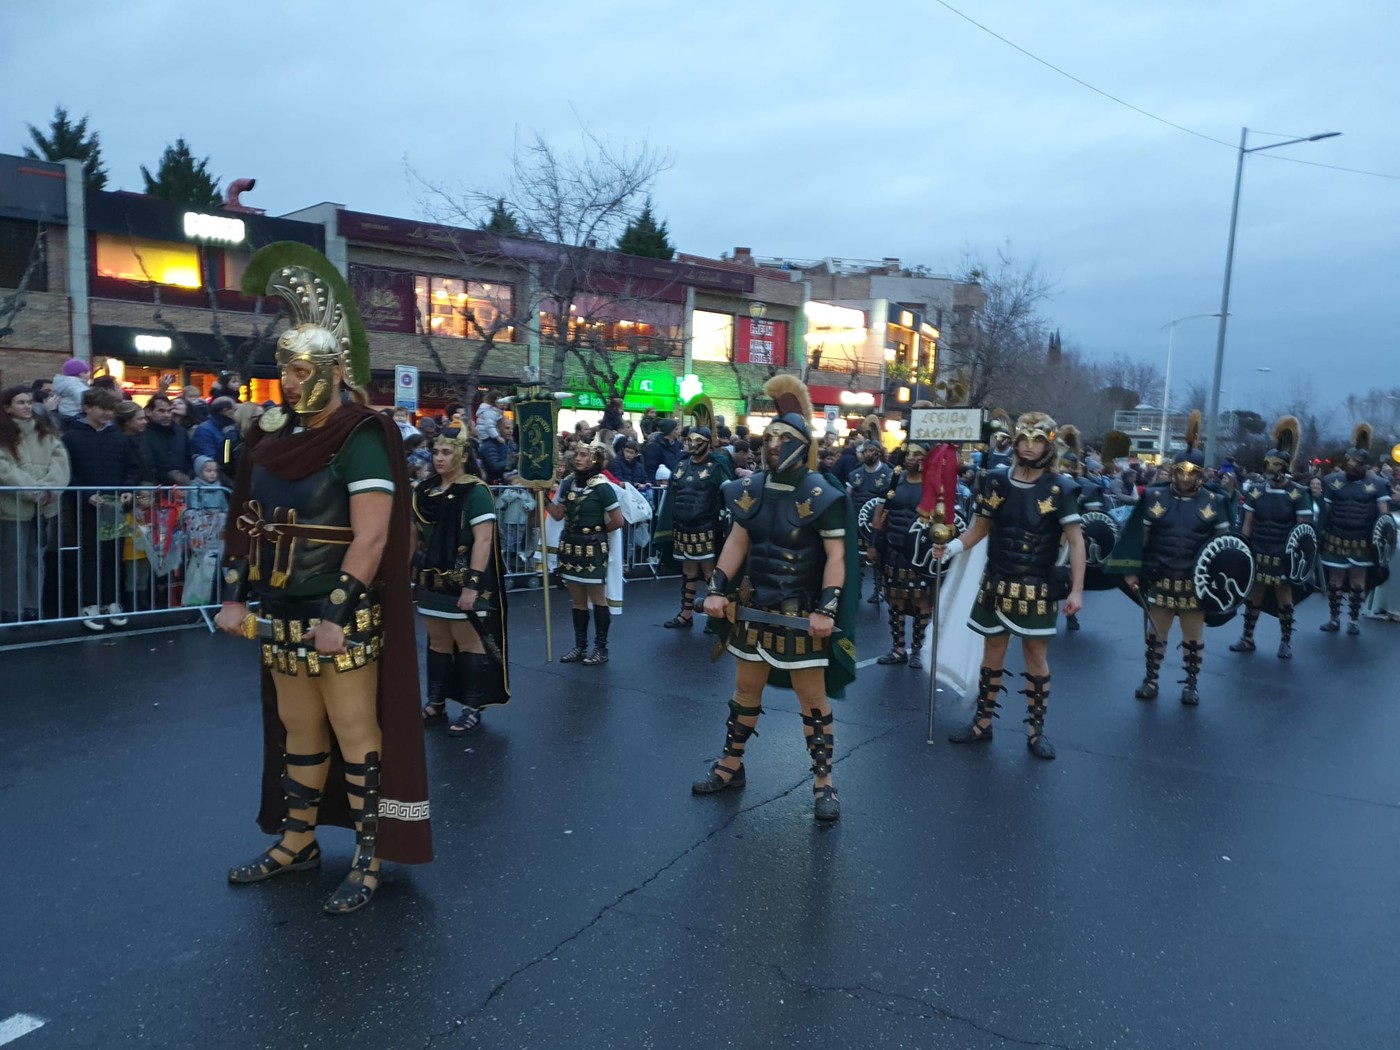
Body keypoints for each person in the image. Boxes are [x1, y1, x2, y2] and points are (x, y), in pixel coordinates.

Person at [214, 244, 430, 915]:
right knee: (296, 730)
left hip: (340, 614)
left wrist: (338, 612)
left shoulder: (361, 435)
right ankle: (297, 840)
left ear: (333, 371)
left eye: (301, 368)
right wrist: (232, 594)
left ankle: (367, 856)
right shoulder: (269, 437)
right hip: (278, 609)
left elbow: (371, 535)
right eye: (283, 368)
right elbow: (246, 522)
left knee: (355, 733)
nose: (288, 380)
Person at [692, 375, 855, 821]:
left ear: (803, 444)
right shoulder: (750, 489)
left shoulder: (824, 495)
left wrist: (826, 609)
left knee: (812, 700)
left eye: (785, 437)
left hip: (801, 613)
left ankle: (824, 782)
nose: (774, 444)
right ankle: (731, 764)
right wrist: (715, 588)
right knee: (745, 689)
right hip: (754, 608)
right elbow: (736, 543)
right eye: (770, 437)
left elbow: (837, 557)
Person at [937, 412, 1085, 759]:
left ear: (1048, 444)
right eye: (1024, 439)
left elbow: (1076, 542)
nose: (1029, 446)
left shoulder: (1061, 488)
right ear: (1016, 441)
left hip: (1037, 585)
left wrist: (1077, 590)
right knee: (992, 653)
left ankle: (1036, 731)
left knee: (1036, 656)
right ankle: (983, 723)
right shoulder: (996, 481)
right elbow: (980, 528)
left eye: (1037, 440)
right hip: (998, 580)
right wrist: (953, 547)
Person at [1121, 412, 1231, 706]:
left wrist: (1221, 583)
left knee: (1193, 639)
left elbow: (1224, 548)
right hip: (1160, 575)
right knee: (1155, 635)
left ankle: (1191, 683)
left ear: (1200, 473)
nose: (1185, 477)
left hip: (1195, 583)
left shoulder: (1215, 502)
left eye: (1191, 472)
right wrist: (1133, 569)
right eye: (1180, 471)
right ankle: (1151, 678)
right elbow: (1138, 539)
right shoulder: (1156, 498)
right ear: (1173, 470)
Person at [414, 430, 510, 734]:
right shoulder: (424, 491)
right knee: (439, 642)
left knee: (470, 642)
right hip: (432, 581)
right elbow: (412, 537)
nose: (439, 457)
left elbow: (483, 541)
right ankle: (435, 703)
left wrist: (472, 585)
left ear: (463, 456)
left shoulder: (476, 491)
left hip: (465, 580)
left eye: (446, 452)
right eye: (436, 451)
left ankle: (472, 708)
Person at [1230, 416, 1311, 658]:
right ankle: (1247, 637)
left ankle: (1285, 641)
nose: (1269, 469)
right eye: (1268, 464)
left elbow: (1302, 531)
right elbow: (1248, 524)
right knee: (1253, 595)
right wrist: (1243, 551)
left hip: (1283, 552)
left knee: (1283, 596)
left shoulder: (1298, 494)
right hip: (1258, 549)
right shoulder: (1255, 491)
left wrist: (1296, 558)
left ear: (1284, 467)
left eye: (1275, 465)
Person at [546, 440, 623, 665]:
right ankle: (580, 647)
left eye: (582, 455)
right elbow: (559, 514)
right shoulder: (569, 482)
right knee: (577, 600)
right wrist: (538, 497)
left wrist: (595, 532)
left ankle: (601, 649)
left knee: (598, 599)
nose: (577, 458)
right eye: (576, 455)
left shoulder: (602, 486)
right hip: (570, 546)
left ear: (594, 459)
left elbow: (617, 521)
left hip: (592, 547)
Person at [0, 385, 70, 621]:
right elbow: (3, 469)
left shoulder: (45, 432)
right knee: (12, 561)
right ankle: (12, 607)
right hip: (12, 509)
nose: (27, 406)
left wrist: (49, 487)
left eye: (29, 401)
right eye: (20, 402)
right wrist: (31, 488)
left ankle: (33, 605)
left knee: (35, 559)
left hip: (43, 509)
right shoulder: (3, 435)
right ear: (7, 407)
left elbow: (60, 463)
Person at [869, 437, 935, 668]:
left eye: (918, 454)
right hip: (893, 550)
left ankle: (918, 650)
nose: (912, 459)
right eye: (909, 454)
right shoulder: (893, 480)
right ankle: (898, 649)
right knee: (895, 601)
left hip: (920, 554)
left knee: (921, 603)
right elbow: (880, 514)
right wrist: (874, 543)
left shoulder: (934, 485)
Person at [1319, 423, 1390, 635]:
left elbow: (1383, 515)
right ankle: (1334, 619)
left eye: (1356, 461)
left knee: (1358, 580)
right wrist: (1320, 534)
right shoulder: (1333, 481)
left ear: (1364, 464)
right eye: (1348, 460)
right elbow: (1325, 512)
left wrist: (1383, 541)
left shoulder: (1377, 484)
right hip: (1336, 536)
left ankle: (1353, 620)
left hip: (1362, 538)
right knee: (1335, 581)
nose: (1350, 464)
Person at [662, 426, 733, 629]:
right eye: (690, 440)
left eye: (698, 440)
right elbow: (673, 494)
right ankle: (686, 613)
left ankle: (715, 616)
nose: (692, 444)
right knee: (688, 570)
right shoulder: (681, 465)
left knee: (710, 572)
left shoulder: (716, 467)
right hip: (683, 527)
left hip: (707, 526)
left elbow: (729, 492)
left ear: (708, 443)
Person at [847, 440, 892, 605]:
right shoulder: (855, 474)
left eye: (871, 450)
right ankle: (856, 588)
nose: (867, 454)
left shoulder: (889, 474)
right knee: (856, 558)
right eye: (865, 451)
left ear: (878, 453)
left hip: (878, 524)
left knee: (878, 558)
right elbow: (848, 496)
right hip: (858, 523)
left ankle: (878, 589)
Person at [144, 394, 192, 485]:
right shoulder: (142, 433)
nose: (167, 415)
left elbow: (189, 457)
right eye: (161, 411)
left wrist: (186, 477)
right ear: (149, 412)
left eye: (169, 411)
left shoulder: (181, 432)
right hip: (153, 487)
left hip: (180, 488)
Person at [192, 396, 240, 471]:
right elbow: (210, 459)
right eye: (235, 410)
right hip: (218, 475)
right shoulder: (205, 430)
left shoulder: (232, 427)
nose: (237, 413)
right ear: (226, 411)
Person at [479, 416, 520, 485]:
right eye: (507, 428)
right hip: (494, 484)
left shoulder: (511, 444)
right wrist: (515, 459)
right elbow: (495, 466)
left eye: (512, 429)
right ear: (498, 429)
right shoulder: (489, 445)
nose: (510, 431)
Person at [52, 359, 91, 426]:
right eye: (86, 372)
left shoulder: (66, 384)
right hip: (76, 414)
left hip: (66, 413)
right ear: (80, 374)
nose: (89, 375)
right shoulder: (76, 385)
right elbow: (83, 399)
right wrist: (90, 409)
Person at [643, 418, 683, 483]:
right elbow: (650, 469)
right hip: (662, 484)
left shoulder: (679, 445)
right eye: (676, 429)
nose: (679, 432)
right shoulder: (654, 446)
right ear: (669, 431)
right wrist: (655, 484)